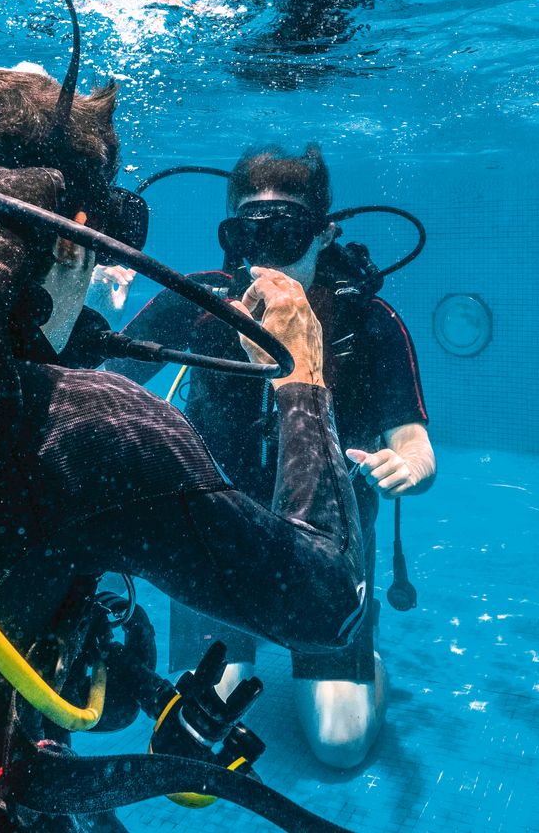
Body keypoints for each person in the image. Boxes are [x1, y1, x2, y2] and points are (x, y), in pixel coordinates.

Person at [0, 62, 367, 829]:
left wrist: (140, 688)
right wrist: (302, 378)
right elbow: (327, 605)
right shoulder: (91, 431)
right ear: (73, 243)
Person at [106, 144, 435, 768]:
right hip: (219, 540)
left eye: (287, 235)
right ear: (229, 238)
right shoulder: (198, 301)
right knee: (191, 746)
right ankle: (246, 644)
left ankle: (359, 653)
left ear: (325, 233)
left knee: (340, 745)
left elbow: (414, 440)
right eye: (248, 236)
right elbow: (100, 373)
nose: (266, 257)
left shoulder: (365, 320)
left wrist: (411, 467)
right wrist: (89, 283)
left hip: (329, 551)